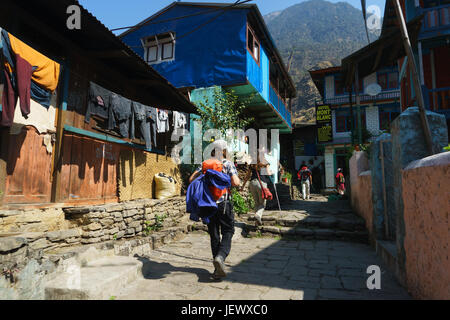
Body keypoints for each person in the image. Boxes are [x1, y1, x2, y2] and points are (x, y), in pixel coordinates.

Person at [188, 140, 240, 280]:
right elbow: (236, 182)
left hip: (207, 205)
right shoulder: (227, 164)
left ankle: (217, 270)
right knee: (228, 231)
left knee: (214, 234)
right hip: (223, 203)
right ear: (224, 150)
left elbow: (191, 179)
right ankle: (220, 257)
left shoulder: (205, 164)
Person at [241, 154, 272, 226]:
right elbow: (268, 173)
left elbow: (247, 176)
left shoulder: (252, 164)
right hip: (261, 184)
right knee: (262, 203)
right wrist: (271, 172)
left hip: (252, 183)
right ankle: (258, 215)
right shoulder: (265, 163)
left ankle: (257, 222)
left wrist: (243, 186)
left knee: (257, 203)